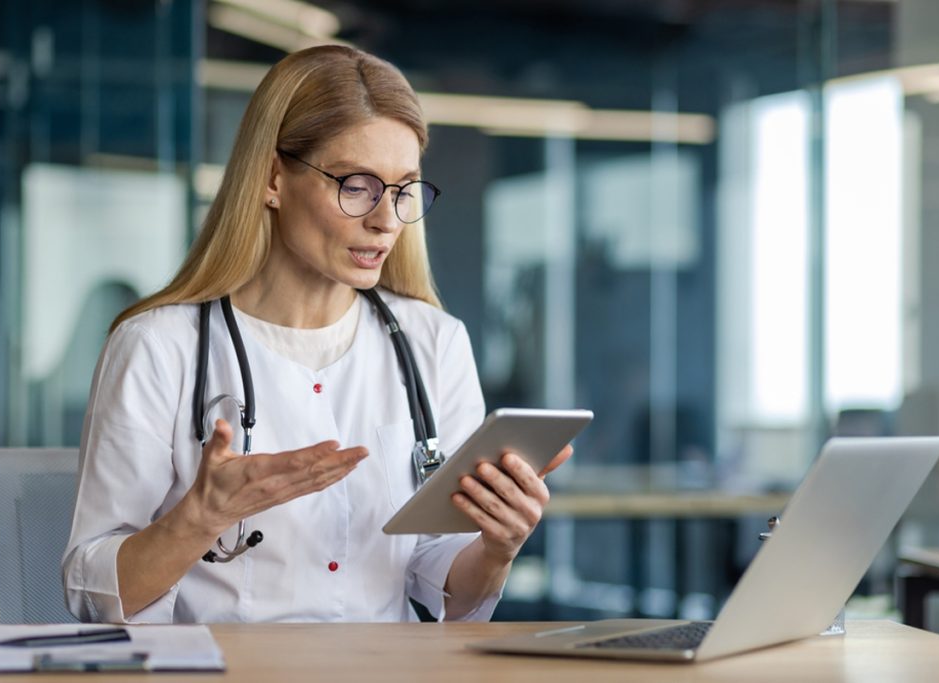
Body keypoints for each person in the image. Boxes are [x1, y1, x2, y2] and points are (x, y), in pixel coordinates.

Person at [62, 44, 572, 624]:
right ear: (273, 178)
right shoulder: (158, 347)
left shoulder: (434, 343)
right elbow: (90, 593)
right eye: (357, 185)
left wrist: (496, 548)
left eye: (403, 189)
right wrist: (197, 519)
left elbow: (441, 581)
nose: (385, 219)